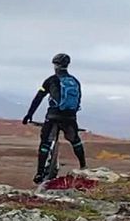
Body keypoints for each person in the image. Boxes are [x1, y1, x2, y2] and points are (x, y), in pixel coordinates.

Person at [22, 53, 87, 184]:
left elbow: (38, 98)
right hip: (70, 117)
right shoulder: (74, 81)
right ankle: (83, 166)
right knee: (75, 141)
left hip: (53, 116)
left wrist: (29, 115)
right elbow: (78, 100)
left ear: (55, 65)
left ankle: (40, 173)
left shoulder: (50, 80)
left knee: (45, 143)